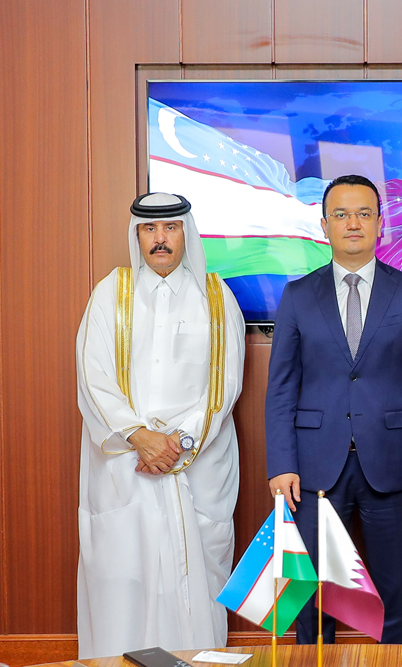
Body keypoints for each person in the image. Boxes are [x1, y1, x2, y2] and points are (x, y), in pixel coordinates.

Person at [265, 174, 402, 644]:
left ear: (380, 224)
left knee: (396, 599)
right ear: (324, 225)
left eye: (364, 213)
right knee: (313, 600)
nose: (353, 224)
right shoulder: (298, 295)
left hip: (393, 470)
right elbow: (281, 388)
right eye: (341, 214)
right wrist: (281, 463)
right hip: (312, 472)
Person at [75, 193, 246, 658]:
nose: (160, 239)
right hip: (126, 463)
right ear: (137, 235)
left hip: (196, 466)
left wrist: (175, 447)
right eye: (150, 230)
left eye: (170, 228)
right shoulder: (111, 292)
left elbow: (224, 387)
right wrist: (140, 438)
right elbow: (93, 377)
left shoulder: (216, 296)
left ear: (186, 232)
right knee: (122, 579)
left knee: (195, 581)